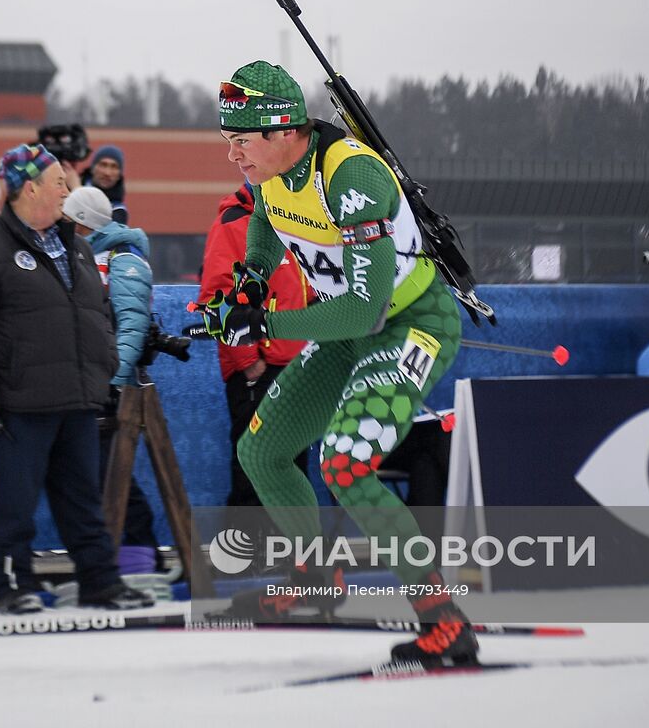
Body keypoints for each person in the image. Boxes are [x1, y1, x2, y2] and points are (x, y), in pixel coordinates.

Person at [193, 61, 478, 668]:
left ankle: (443, 622)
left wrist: (265, 323)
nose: (233, 155)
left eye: (240, 142)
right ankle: (314, 577)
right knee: (262, 452)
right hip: (348, 331)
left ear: (280, 132)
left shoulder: (351, 177)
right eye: (229, 143)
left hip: (407, 325)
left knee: (345, 465)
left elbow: (363, 310)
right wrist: (249, 285)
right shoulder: (272, 175)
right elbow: (269, 228)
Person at [0, 143, 155, 614]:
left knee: (84, 503)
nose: (68, 188)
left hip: (79, 399)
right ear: (29, 187)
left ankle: (101, 582)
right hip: (20, 402)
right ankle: (10, 588)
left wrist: (101, 370)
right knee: (14, 506)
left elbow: (97, 314)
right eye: (59, 180)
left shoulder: (76, 246)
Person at [62, 186, 163, 571]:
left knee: (110, 472)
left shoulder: (123, 258)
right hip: (84, 383)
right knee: (92, 473)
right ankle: (119, 554)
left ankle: (140, 552)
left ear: (83, 223)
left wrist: (113, 381)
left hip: (111, 388)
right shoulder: (78, 254)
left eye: (69, 218)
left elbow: (132, 325)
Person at [198, 182, 313, 507]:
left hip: (294, 369)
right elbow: (215, 298)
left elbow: (308, 290)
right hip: (260, 372)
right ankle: (246, 554)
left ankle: (288, 553)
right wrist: (249, 362)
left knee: (291, 469)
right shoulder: (234, 223)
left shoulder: (293, 221)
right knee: (255, 473)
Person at [81, 144, 129, 224]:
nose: (107, 173)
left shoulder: (118, 210)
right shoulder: (67, 188)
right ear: (92, 168)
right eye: (103, 165)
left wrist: (76, 189)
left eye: (114, 167)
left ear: (119, 175)